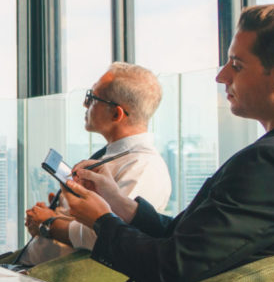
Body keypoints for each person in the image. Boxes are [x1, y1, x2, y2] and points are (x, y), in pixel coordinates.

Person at [62, 4, 274, 282]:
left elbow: (168, 267)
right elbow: (193, 244)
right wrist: (119, 203)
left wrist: (101, 219)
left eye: (236, 64)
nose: (222, 76)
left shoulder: (273, 162)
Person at [18, 62, 171, 267]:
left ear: (117, 114)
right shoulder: (114, 155)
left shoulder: (144, 167)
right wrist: (61, 212)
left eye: (92, 98)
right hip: (35, 270)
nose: (84, 104)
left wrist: (48, 223)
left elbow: (107, 234)